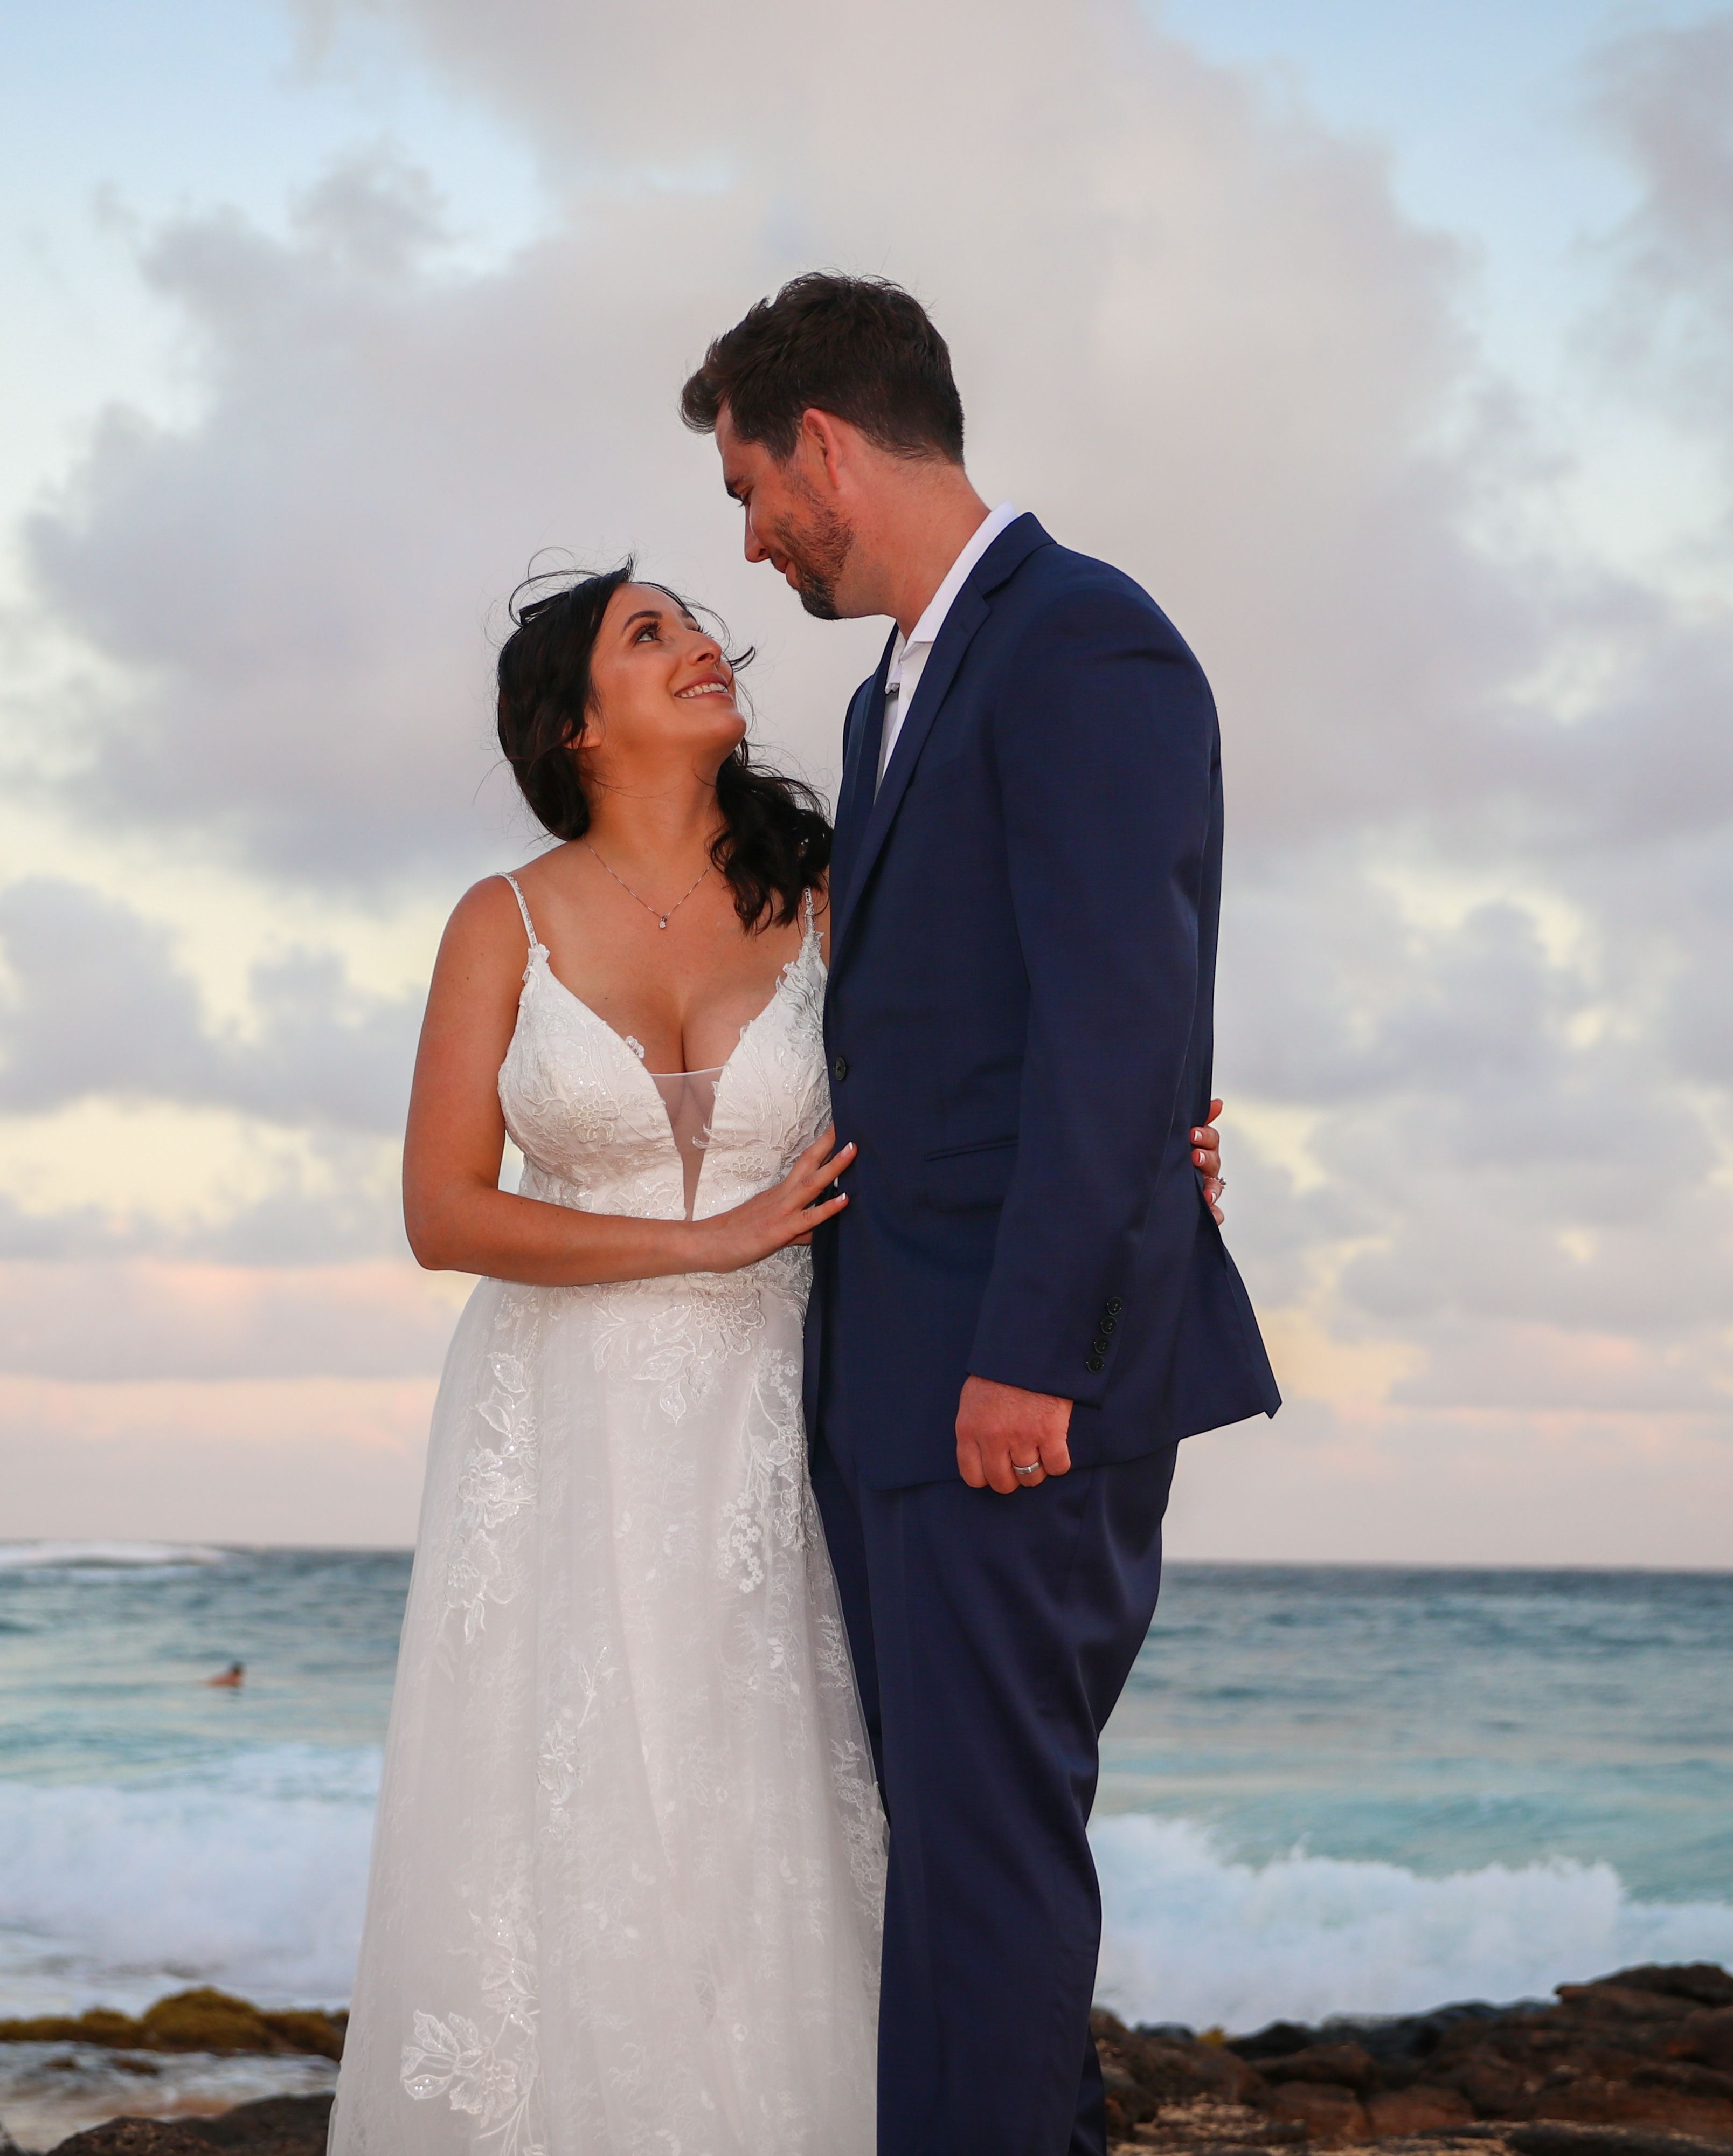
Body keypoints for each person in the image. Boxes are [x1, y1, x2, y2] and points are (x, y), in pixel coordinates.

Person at [330, 547, 1231, 2154]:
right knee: (564, 1805)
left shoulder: (828, 891)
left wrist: (1160, 1159)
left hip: (781, 1419)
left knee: (776, 1812)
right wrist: (701, 1242)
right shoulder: (502, 926)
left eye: (697, 628)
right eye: (651, 634)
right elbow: (442, 1211)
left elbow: (995, 1062)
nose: (706, 646)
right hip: (558, 1430)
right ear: (575, 725)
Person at [682, 273, 1278, 2156]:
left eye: (751, 493)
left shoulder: (1086, 644)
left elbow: (1121, 1019)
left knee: (995, 1865)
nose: (755, 541)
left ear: (829, 448)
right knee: (944, 1869)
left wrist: (1033, 1357)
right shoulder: (890, 699)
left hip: (1015, 1394)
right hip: (899, 1383)